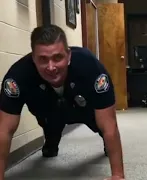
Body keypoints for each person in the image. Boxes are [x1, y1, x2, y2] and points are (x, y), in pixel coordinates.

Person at [0, 24, 125, 180]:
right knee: (50, 131)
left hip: (84, 109)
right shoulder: (17, 76)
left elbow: (109, 124)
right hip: (49, 112)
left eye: (57, 58)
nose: (51, 67)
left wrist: (118, 175)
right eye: (43, 60)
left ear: (69, 56)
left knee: (101, 126)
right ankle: (51, 142)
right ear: (33, 59)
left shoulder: (90, 66)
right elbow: (4, 130)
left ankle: (106, 144)